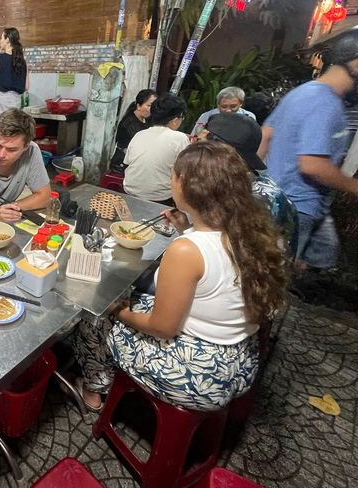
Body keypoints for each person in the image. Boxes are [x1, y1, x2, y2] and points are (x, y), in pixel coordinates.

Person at [73, 142, 289, 411]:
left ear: (185, 183)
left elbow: (163, 328)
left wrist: (117, 310)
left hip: (198, 375)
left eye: (173, 175)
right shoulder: (254, 232)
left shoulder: (186, 250)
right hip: (240, 360)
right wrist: (186, 229)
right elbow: (214, 270)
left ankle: (93, 389)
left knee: (96, 318)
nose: (171, 181)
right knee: (138, 301)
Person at [257, 29, 358, 269]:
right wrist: (354, 187)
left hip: (283, 200)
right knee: (274, 278)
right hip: (298, 208)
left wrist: (258, 184)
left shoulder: (301, 93)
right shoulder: (326, 103)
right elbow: (312, 165)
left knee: (320, 260)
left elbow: (265, 136)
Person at [197, 112, 299, 255]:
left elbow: (238, 256)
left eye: (199, 147)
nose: (193, 156)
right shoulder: (238, 182)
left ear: (219, 153)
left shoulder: (256, 199)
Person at [123, 93, 190, 205]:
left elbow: (128, 162)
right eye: (181, 118)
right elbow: (186, 172)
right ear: (174, 120)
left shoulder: (139, 134)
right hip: (160, 197)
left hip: (130, 190)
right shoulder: (180, 138)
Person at [0, 27, 29, 132]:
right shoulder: (22, 61)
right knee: (13, 132)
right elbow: (26, 87)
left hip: (2, 100)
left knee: (1, 131)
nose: (0, 41)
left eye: (1, 38)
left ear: (7, 40)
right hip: (16, 101)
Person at [110, 89, 158, 173]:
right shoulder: (129, 122)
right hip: (123, 162)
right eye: (149, 105)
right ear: (139, 106)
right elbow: (141, 143)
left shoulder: (147, 119)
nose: (152, 109)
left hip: (137, 158)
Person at [191, 87, 257, 136]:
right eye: (224, 107)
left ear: (241, 103)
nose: (228, 110)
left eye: (233, 106)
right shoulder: (206, 116)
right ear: (218, 104)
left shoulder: (249, 116)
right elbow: (194, 136)